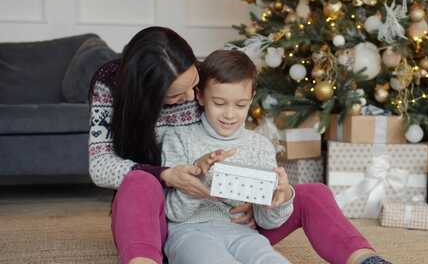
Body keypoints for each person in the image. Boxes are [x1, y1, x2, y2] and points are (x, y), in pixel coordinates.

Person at [88, 26, 389, 264]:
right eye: (177, 95)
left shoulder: (210, 86)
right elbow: (101, 166)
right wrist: (169, 175)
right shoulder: (116, 89)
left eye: (195, 85)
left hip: (238, 226)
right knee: (141, 182)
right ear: (148, 94)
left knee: (312, 193)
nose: (192, 99)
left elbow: (235, 127)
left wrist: (258, 196)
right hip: (168, 222)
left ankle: (364, 258)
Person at [161, 50, 294, 263]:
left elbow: (268, 222)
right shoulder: (178, 137)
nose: (230, 114)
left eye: (240, 105)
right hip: (190, 233)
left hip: (244, 234)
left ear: (251, 100)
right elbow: (174, 213)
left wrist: (283, 196)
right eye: (219, 103)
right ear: (200, 96)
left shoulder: (260, 146)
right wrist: (197, 177)